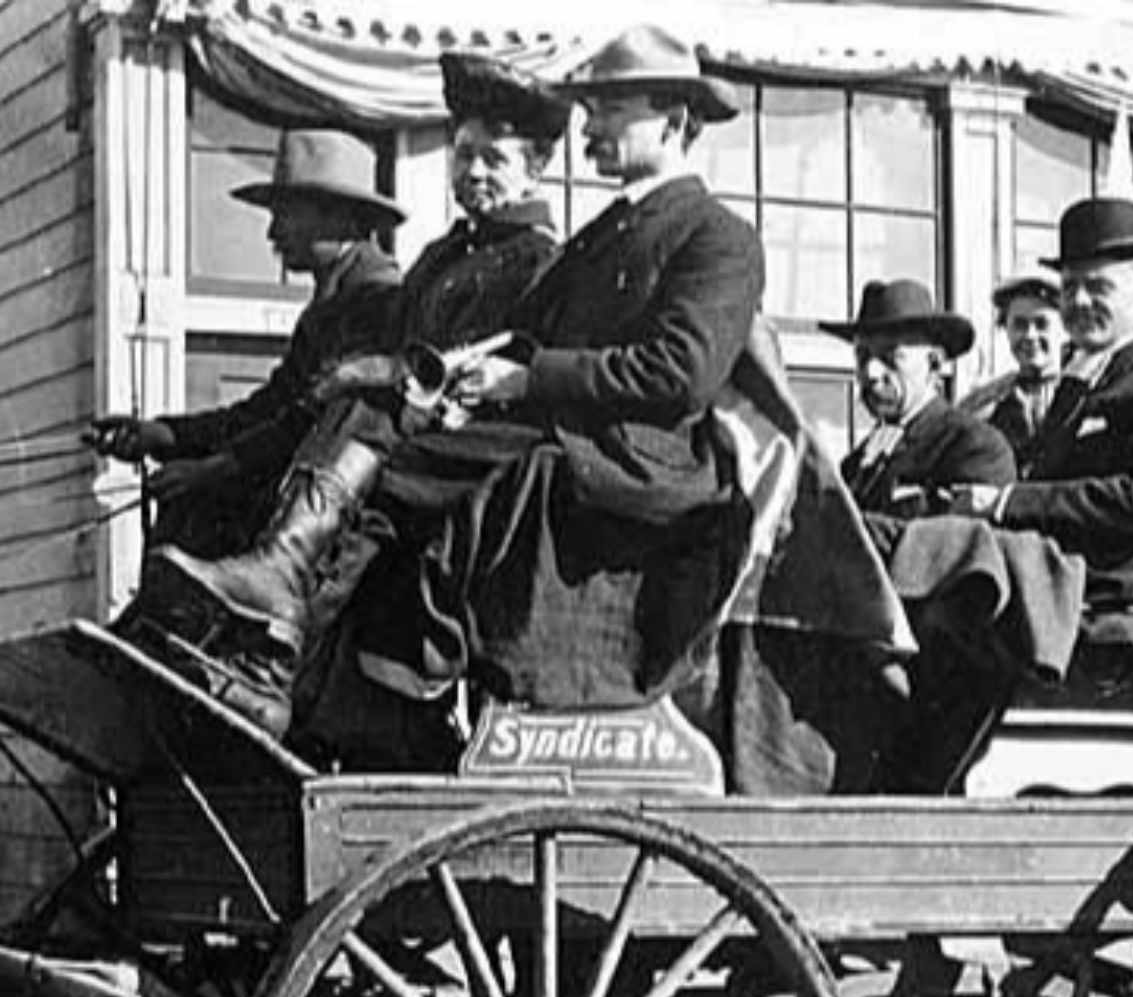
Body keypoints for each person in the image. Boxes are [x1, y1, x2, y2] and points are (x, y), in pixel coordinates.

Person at [142, 26, 765, 742]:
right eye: (592, 110)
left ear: (677, 121)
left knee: (390, 449)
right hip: (562, 433)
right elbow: (522, 336)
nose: (590, 127)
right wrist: (465, 378)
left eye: (611, 111)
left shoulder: (716, 237)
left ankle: (283, 632)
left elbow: (678, 374)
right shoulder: (602, 236)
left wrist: (525, 378)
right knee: (388, 442)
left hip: (630, 468)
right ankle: (278, 637)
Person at [149, 52, 571, 649]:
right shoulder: (441, 257)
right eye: (464, 155)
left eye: (494, 160)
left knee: (364, 408)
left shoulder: (542, 265)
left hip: (463, 451)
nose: (474, 172)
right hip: (395, 433)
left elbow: (497, 377)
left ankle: (282, 585)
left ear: (537, 168)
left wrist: (378, 373)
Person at [88, 129, 405, 561]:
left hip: (339, 517)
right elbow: (268, 409)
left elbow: (309, 424)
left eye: (287, 214)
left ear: (339, 217)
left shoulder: (375, 301)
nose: (272, 232)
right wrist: (165, 434)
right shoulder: (332, 301)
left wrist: (211, 470)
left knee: (195, 507)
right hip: (301, 492)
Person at [949, 196, 1133, 630]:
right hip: (1056, 600)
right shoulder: (1079, 383)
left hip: (1121, 615)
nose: (1078, 301)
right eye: (1069, 287)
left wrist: (1006, 502)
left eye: (1098, 287)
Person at [830, 279, 1014, 515]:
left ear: (934, 362)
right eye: (863, 356)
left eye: (890, 355)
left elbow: (959, 535)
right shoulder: (854, 466)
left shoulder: (973, 447)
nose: (871, 372)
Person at [957, 269, 1070, 465]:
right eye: (1020, 325)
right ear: (1005, 329)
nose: (1030, 335)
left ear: (1066, 329)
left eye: (1041, 324)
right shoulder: (982, 404)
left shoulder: (1083, 396)